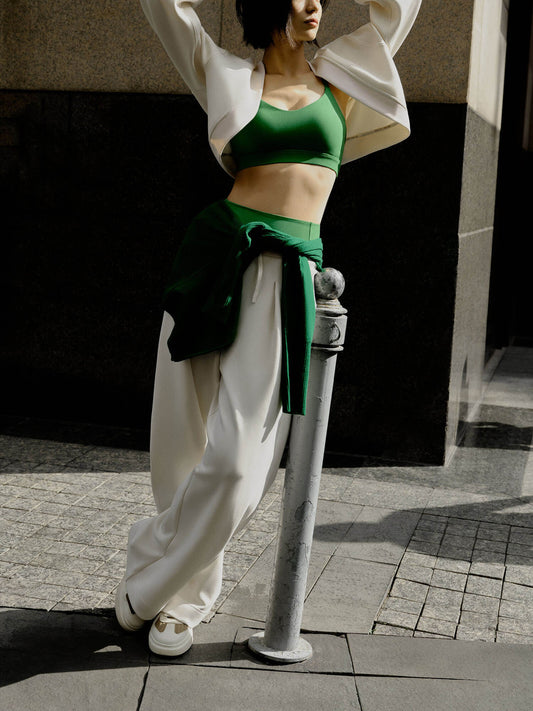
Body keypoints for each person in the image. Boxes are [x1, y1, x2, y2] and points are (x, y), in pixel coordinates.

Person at [115, 0, 421, 656]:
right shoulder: (225, 72)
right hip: (216, 257)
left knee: (236, 466)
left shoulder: (345, 76)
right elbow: (164, 10)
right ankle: (185, 599)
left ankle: (146, 575)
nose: (314, 4)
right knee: (183, 444)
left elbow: (400, 7)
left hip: (287, 278)